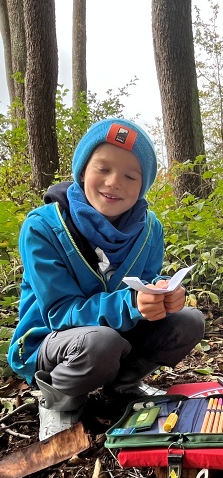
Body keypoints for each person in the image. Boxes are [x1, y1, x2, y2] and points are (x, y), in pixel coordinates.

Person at [8, 118, 205, 440]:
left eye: (130, 176)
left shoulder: (149, 228)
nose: (114, 182)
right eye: (103, 169)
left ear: (142, 186)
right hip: (51, 340)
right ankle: (60, 401)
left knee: (189, 321)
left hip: (115, 334)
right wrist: (132, 303)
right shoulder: (43, 227)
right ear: (82, 171)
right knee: (101, 342)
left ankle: (123, 386)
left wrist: (164, 293)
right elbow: (60, 312)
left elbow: (146, 280)